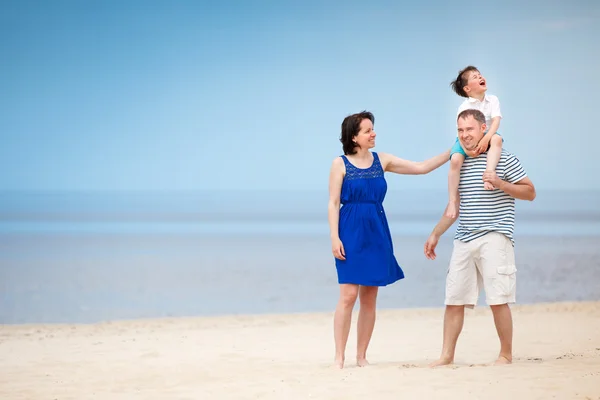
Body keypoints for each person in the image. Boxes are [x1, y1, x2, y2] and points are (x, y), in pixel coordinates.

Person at [328, 110, 450, 369]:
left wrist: (452, 151)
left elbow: (420, 168)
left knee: (370, 296)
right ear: (353, 137)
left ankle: (361, 357)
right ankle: (339, 357)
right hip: (349, 232)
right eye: (367, 130)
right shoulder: (339, 164)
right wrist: (334, 237)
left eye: (373, 129)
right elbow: (333, 203)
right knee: (348, 296)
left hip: (377, 232)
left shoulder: (381, 160)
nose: (373, 134)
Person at [424, 109, 536, 367]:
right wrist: (436, 233)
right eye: (460, 131)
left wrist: (500, 183)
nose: (464, 135)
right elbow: (455, 207)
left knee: (498, 299)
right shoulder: (459, 162)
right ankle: (446, 356)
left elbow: (530, 192)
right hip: (464, 238)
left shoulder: (502, 159)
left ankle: (505, 354)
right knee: (453, 300)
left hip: (496, 236)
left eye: (470, 129)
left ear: (483, 128)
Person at [446, 66, 504, 219]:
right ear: (467, 88)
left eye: (480, 75)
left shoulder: (493, 100)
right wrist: (466, 150)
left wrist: (486, 138)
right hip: (466, 137)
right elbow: (461, 131)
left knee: (497, 139)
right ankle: (452, 200)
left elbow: (496, 121)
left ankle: (489, 173)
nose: (480, 77)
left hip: (488, 133)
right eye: (474, 77)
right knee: (455, 160)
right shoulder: (464, 107)